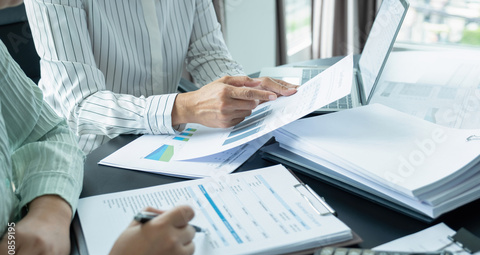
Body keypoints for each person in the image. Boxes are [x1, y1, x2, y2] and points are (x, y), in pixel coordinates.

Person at [0, 2, 196, 255]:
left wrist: (50, 212)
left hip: (61, 229)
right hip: (100, 159)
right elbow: (77, 107)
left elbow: (46, 130)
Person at [24, 0, 298, 154]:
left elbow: (207, 53)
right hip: (85, 155)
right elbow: (81, 106)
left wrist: (244, 91)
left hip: (165, 141)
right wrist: (184, 107)